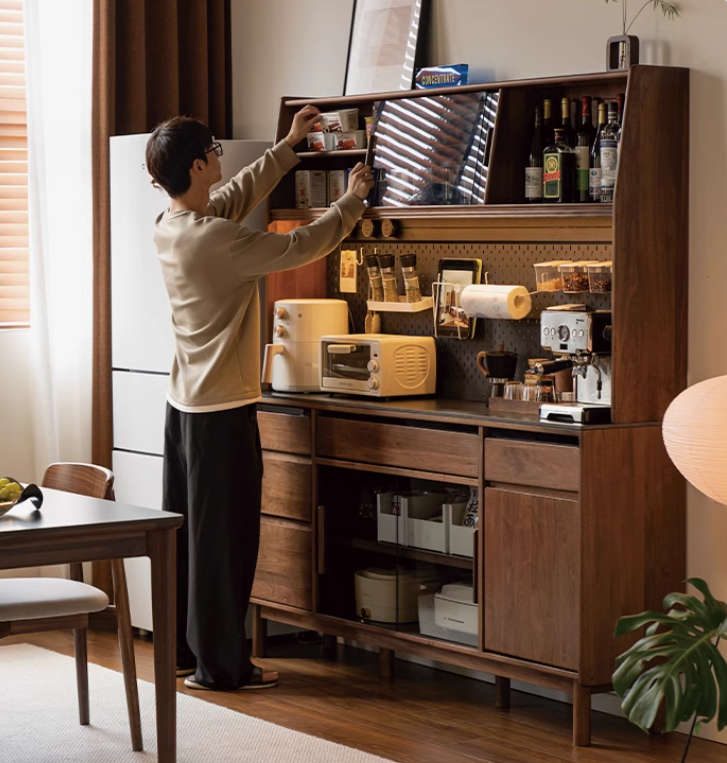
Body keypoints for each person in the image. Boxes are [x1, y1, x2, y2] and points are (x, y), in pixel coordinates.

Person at [145, 106, 373, 692]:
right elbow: (300, 245)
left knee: (191, 540)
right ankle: (222, 669)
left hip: (182, 407)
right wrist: (350, 202)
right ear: (199, 165)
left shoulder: (172, 225)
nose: (223, 159)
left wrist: (289, 146)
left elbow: (233, 197)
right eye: (215, 151)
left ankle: (182, 652)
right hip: (222, 412)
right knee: (227, 543)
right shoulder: (217, 242)